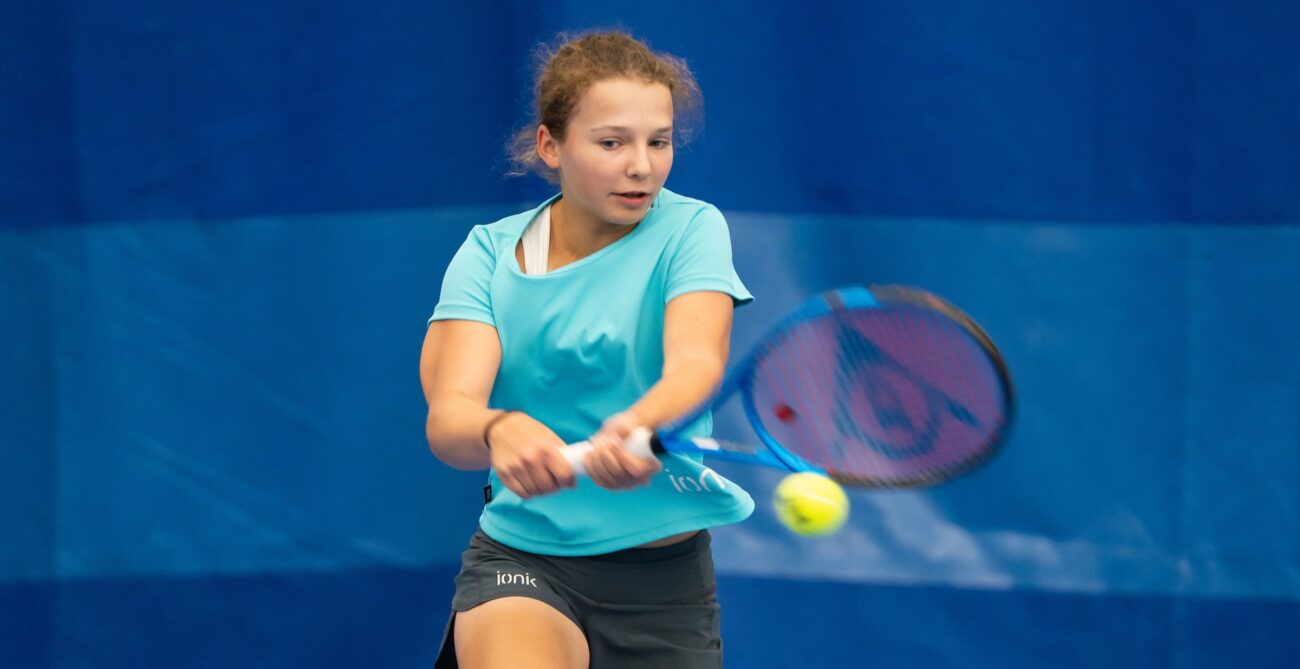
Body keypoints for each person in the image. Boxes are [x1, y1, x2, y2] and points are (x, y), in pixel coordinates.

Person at [420, 30, 753, 669]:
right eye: (611, 142)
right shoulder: (488, 253)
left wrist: (641, 422)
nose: (641, 165)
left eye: (659, 141)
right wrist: (498, 428)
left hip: (665, 582)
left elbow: (696, 362)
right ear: (552, 145)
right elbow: (450, 419)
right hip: (524, 560)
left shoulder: (692, 228)